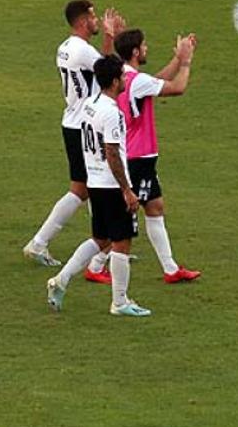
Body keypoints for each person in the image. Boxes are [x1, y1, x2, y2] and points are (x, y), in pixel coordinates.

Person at [84, 30, 200, 284]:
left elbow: (154, 81)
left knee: (155, 207)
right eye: (144, 46)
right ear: (135, 52)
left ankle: (170, 269)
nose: (147, 49)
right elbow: (177, 87)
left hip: (138, 157)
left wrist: (178, 59)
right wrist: (187, 62)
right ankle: (94, 265)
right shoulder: (136, 81)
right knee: (121, 223)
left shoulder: (127, 77)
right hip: (137, 158)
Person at [46, 55, 152, 317]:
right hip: (111, 185)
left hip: (94, 181)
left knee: (100, 239)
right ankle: (119, 301)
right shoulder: (112, 112)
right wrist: (127, 189)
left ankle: (61, 279)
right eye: (123, 76)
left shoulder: (89, 105)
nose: (127, 78)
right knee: (121, 242)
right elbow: (112, 152)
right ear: (115, 81)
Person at [22, 0, 122, 267]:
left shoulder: (65, 48)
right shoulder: (82, 51)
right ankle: (40, 243)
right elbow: (109, 70)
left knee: (91, 185)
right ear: (81, 22)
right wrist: (111, 37)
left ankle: (106, 245)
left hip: (73, 121)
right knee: (83, 188)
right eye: (92, 17)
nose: (97, 20)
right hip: (84, 125)